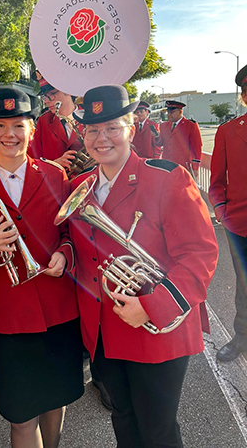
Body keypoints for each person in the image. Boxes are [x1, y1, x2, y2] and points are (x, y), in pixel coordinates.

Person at [65, 85, 218, 448]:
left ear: (131, 128)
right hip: (103, 330)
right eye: (92, 130)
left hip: (156, 329)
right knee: (123, 422)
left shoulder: (167, 178)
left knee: (158, 432)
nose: (102, 138)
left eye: (112, 128)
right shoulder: (80, 189)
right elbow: (72, 244)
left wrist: (151, 306)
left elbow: (200, 254)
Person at [0, 88, 83, 448]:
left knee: (55, 402)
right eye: (0, 125)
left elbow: (69, 233)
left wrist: (64, 255)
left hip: (58, 309)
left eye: (18, 125)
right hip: (8, 317)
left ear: (31, 128)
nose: (9, 134)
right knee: (21, 415)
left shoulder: (56, 178)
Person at [209, 64, 247, 362]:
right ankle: (242, 337)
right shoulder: (227, 132)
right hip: (240, 226)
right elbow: (217, 182)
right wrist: (222, 211)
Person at [28, 73, 85, 177]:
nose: (46, 101)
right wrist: (55, 164)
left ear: (67, 90)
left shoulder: (89, 117)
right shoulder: (44, 121)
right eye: (44, 96)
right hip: (55, 185)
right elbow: (33, 161)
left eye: (52, 94)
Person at [158, 100, 202, 176]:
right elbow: (160, 143)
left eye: (172, 112)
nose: (169, 115)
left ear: (180, 112)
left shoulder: (190, 125)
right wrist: (156, 136)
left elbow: (196, 147)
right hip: (166, 166)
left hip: (182, 166)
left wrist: (195, 168)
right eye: (168, 112)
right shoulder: (163, 126)